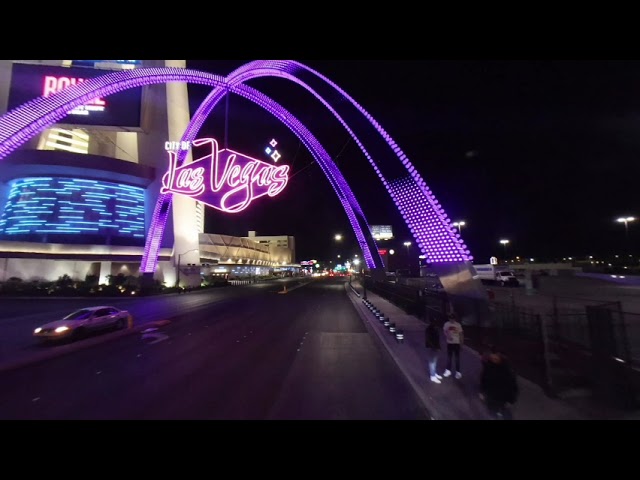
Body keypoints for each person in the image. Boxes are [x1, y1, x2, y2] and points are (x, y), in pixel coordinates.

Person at [479, 345, 519, 420]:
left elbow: (513, 385)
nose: (494, 358)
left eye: (496, 356)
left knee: (505, 413)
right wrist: (481, 391)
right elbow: (483, 379)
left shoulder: (507, 369)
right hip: (491, 396)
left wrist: (511, 399)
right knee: (492, 412)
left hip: (502, 397)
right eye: (492, 356)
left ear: (500, 356)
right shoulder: (488, 366)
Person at [442, 312, 463, 379]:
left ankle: (458, 372)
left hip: (456, 343)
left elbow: (461, 334)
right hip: (449, 343)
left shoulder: (458, 325)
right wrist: (447, 336)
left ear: (455, 318)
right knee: (449, 357)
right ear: (449, 318)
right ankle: (448, 370)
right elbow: (444, 331)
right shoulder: (446, 324)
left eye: (453, 318)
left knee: (457, 358)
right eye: (450, 318)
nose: (452, 320)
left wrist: (461, 343)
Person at [424, 318, 442, 383]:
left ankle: (434, 373)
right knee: (431, 362)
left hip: (435, 347)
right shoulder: (429, 329)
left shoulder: (435, 329)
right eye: (434, 322)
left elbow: (437, 339)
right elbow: (428, 339)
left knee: (434, 361)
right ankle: (432, 376)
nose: (435, 323)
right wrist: (434, 347)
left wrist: (438, 347)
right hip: (431, 347)